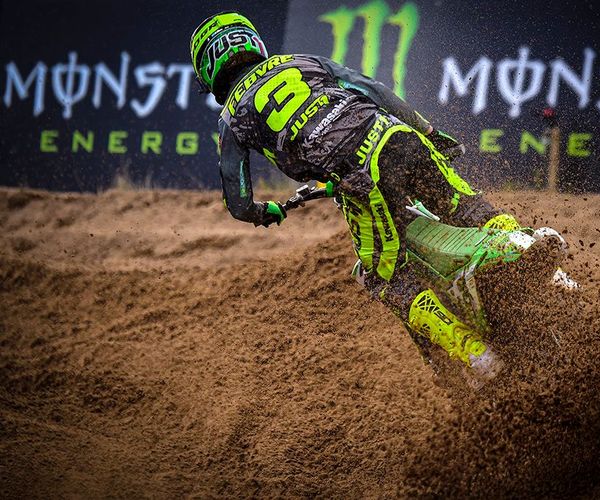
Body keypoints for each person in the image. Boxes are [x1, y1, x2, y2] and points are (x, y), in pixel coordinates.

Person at [190, 12, 521, 379]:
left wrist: (262, 211)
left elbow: (236, 201)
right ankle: (526, 247)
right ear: (252, 42)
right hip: (396, 134)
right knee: (467, 207)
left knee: (384, 278)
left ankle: (475, 354)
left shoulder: (232, 116)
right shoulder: (302, 61)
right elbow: (373, 89)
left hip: (359, 174)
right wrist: (428, 131)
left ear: (208, 69)